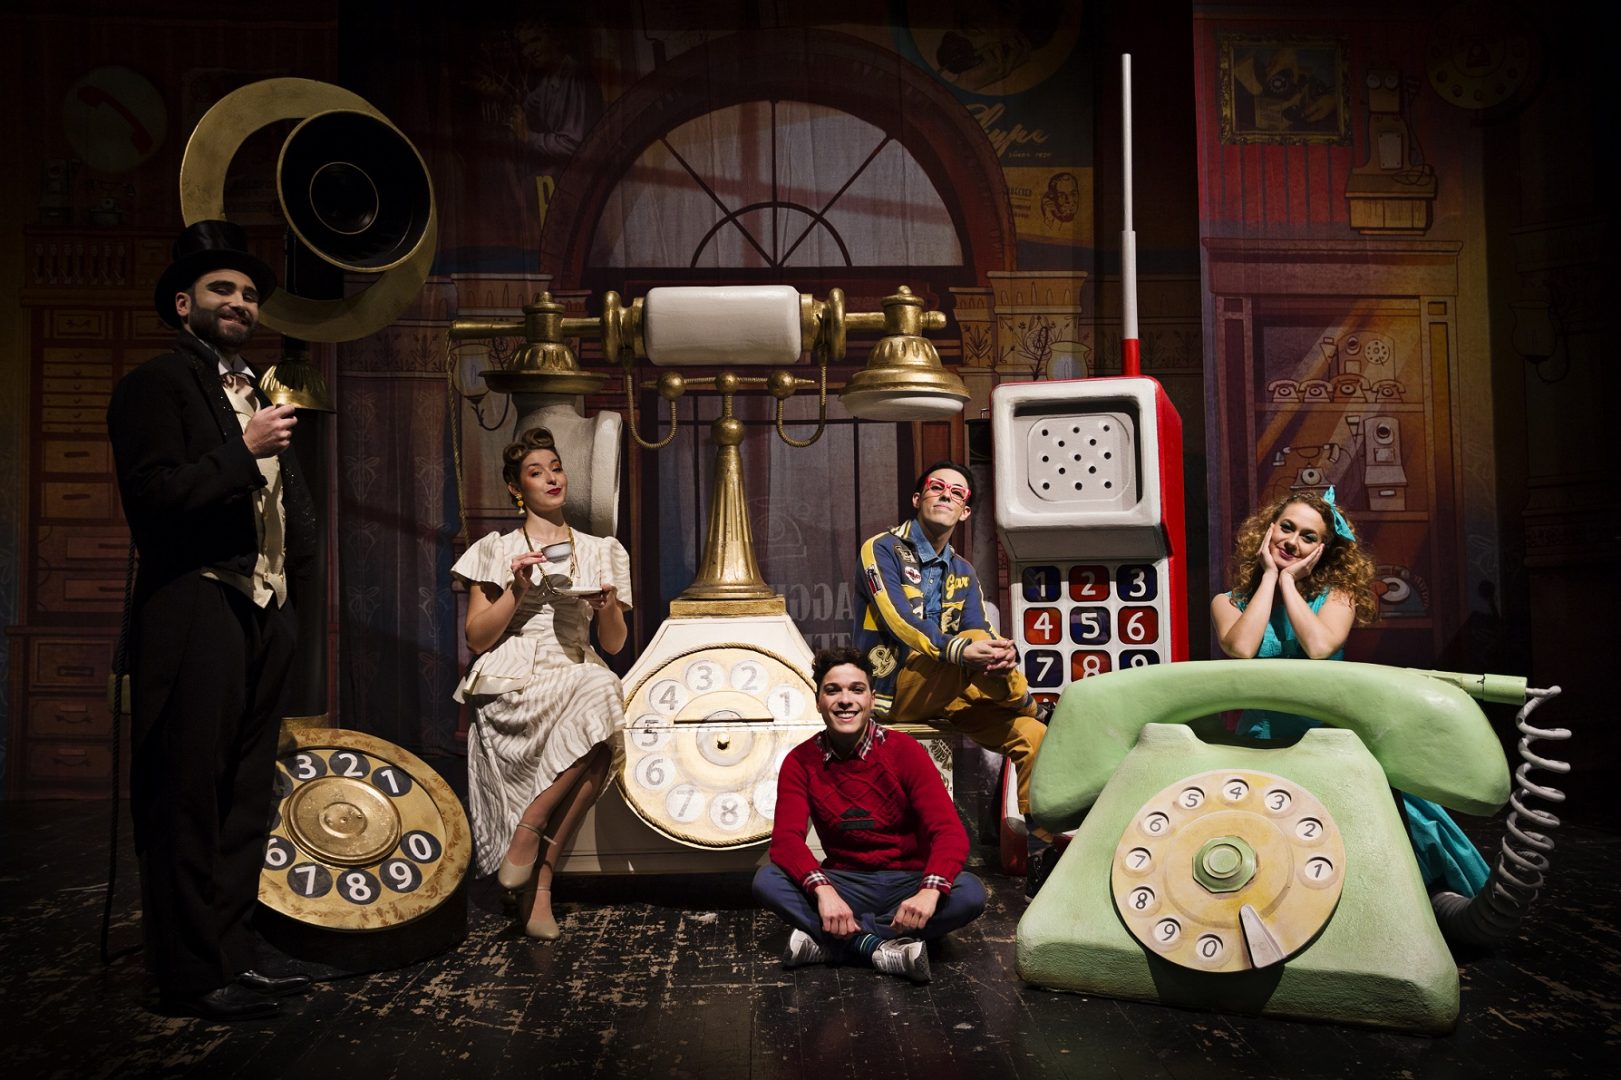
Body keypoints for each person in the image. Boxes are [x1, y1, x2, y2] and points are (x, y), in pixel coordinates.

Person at [107, 219, 317, 1020]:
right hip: (195, 603)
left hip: (262, 609)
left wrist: (291, 603)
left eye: (250, 294)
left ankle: (231, 958)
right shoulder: (155, 385)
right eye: (222, 289)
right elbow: (153, 497)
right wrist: (244, 448)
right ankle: (188, 974)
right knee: (186, 795)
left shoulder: (259, 390)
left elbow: (290, 511)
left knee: (242, 797)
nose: (240, 302)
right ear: (182, 303)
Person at [1210, 487, 1490, 897]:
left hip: (1330, 743)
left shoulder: (1337, 597)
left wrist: (1287, 581)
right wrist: (1269, 577)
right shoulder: (1227, 602)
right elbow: (1242, 647)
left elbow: (1319, 646)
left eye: (1308, 537)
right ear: (1268, 530)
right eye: (1286, 528)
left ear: (1322, 550)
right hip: (1259, 746)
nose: (1292, 541)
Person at [450, 427, 631, 940]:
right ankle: (537, 879)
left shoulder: (602, 550)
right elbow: (477, 638)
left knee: (601, 696)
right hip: (513, 679)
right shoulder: (496, 548)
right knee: (599, 726)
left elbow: (614, 644)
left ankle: (532, 852)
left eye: (556, 468)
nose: (552, 478)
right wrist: (516, 588)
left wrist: (607, 607)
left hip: (575, 670)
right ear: (516, 488)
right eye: (536, 472)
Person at [753, 648, 986, 983]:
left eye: (856, 689)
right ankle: (880, 947)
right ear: (818, 701)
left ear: (872, 699)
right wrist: (824, 892)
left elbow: (949, 833)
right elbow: (786, 842)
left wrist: (928, 892)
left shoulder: (905, 751)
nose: (845, 700)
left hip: (908, 882)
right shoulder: (800, 761)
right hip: (845, 884)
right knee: (768, 880)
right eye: (833, 690)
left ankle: (836, 944)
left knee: (970, 893)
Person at [853, 461, 1046, 816]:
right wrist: (961, 650)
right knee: (976, 642)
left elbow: (980, 630)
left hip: (949, 691)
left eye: (957, 493)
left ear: (965, 511)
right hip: (891, 690)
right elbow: (899, 620)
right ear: (917, 498)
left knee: (1034, 737)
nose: (946, 496)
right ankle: (1030, 704)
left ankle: (1039, 839)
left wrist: (1003, 652)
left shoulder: (963, 570)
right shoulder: (881, 548)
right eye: (936, 487)